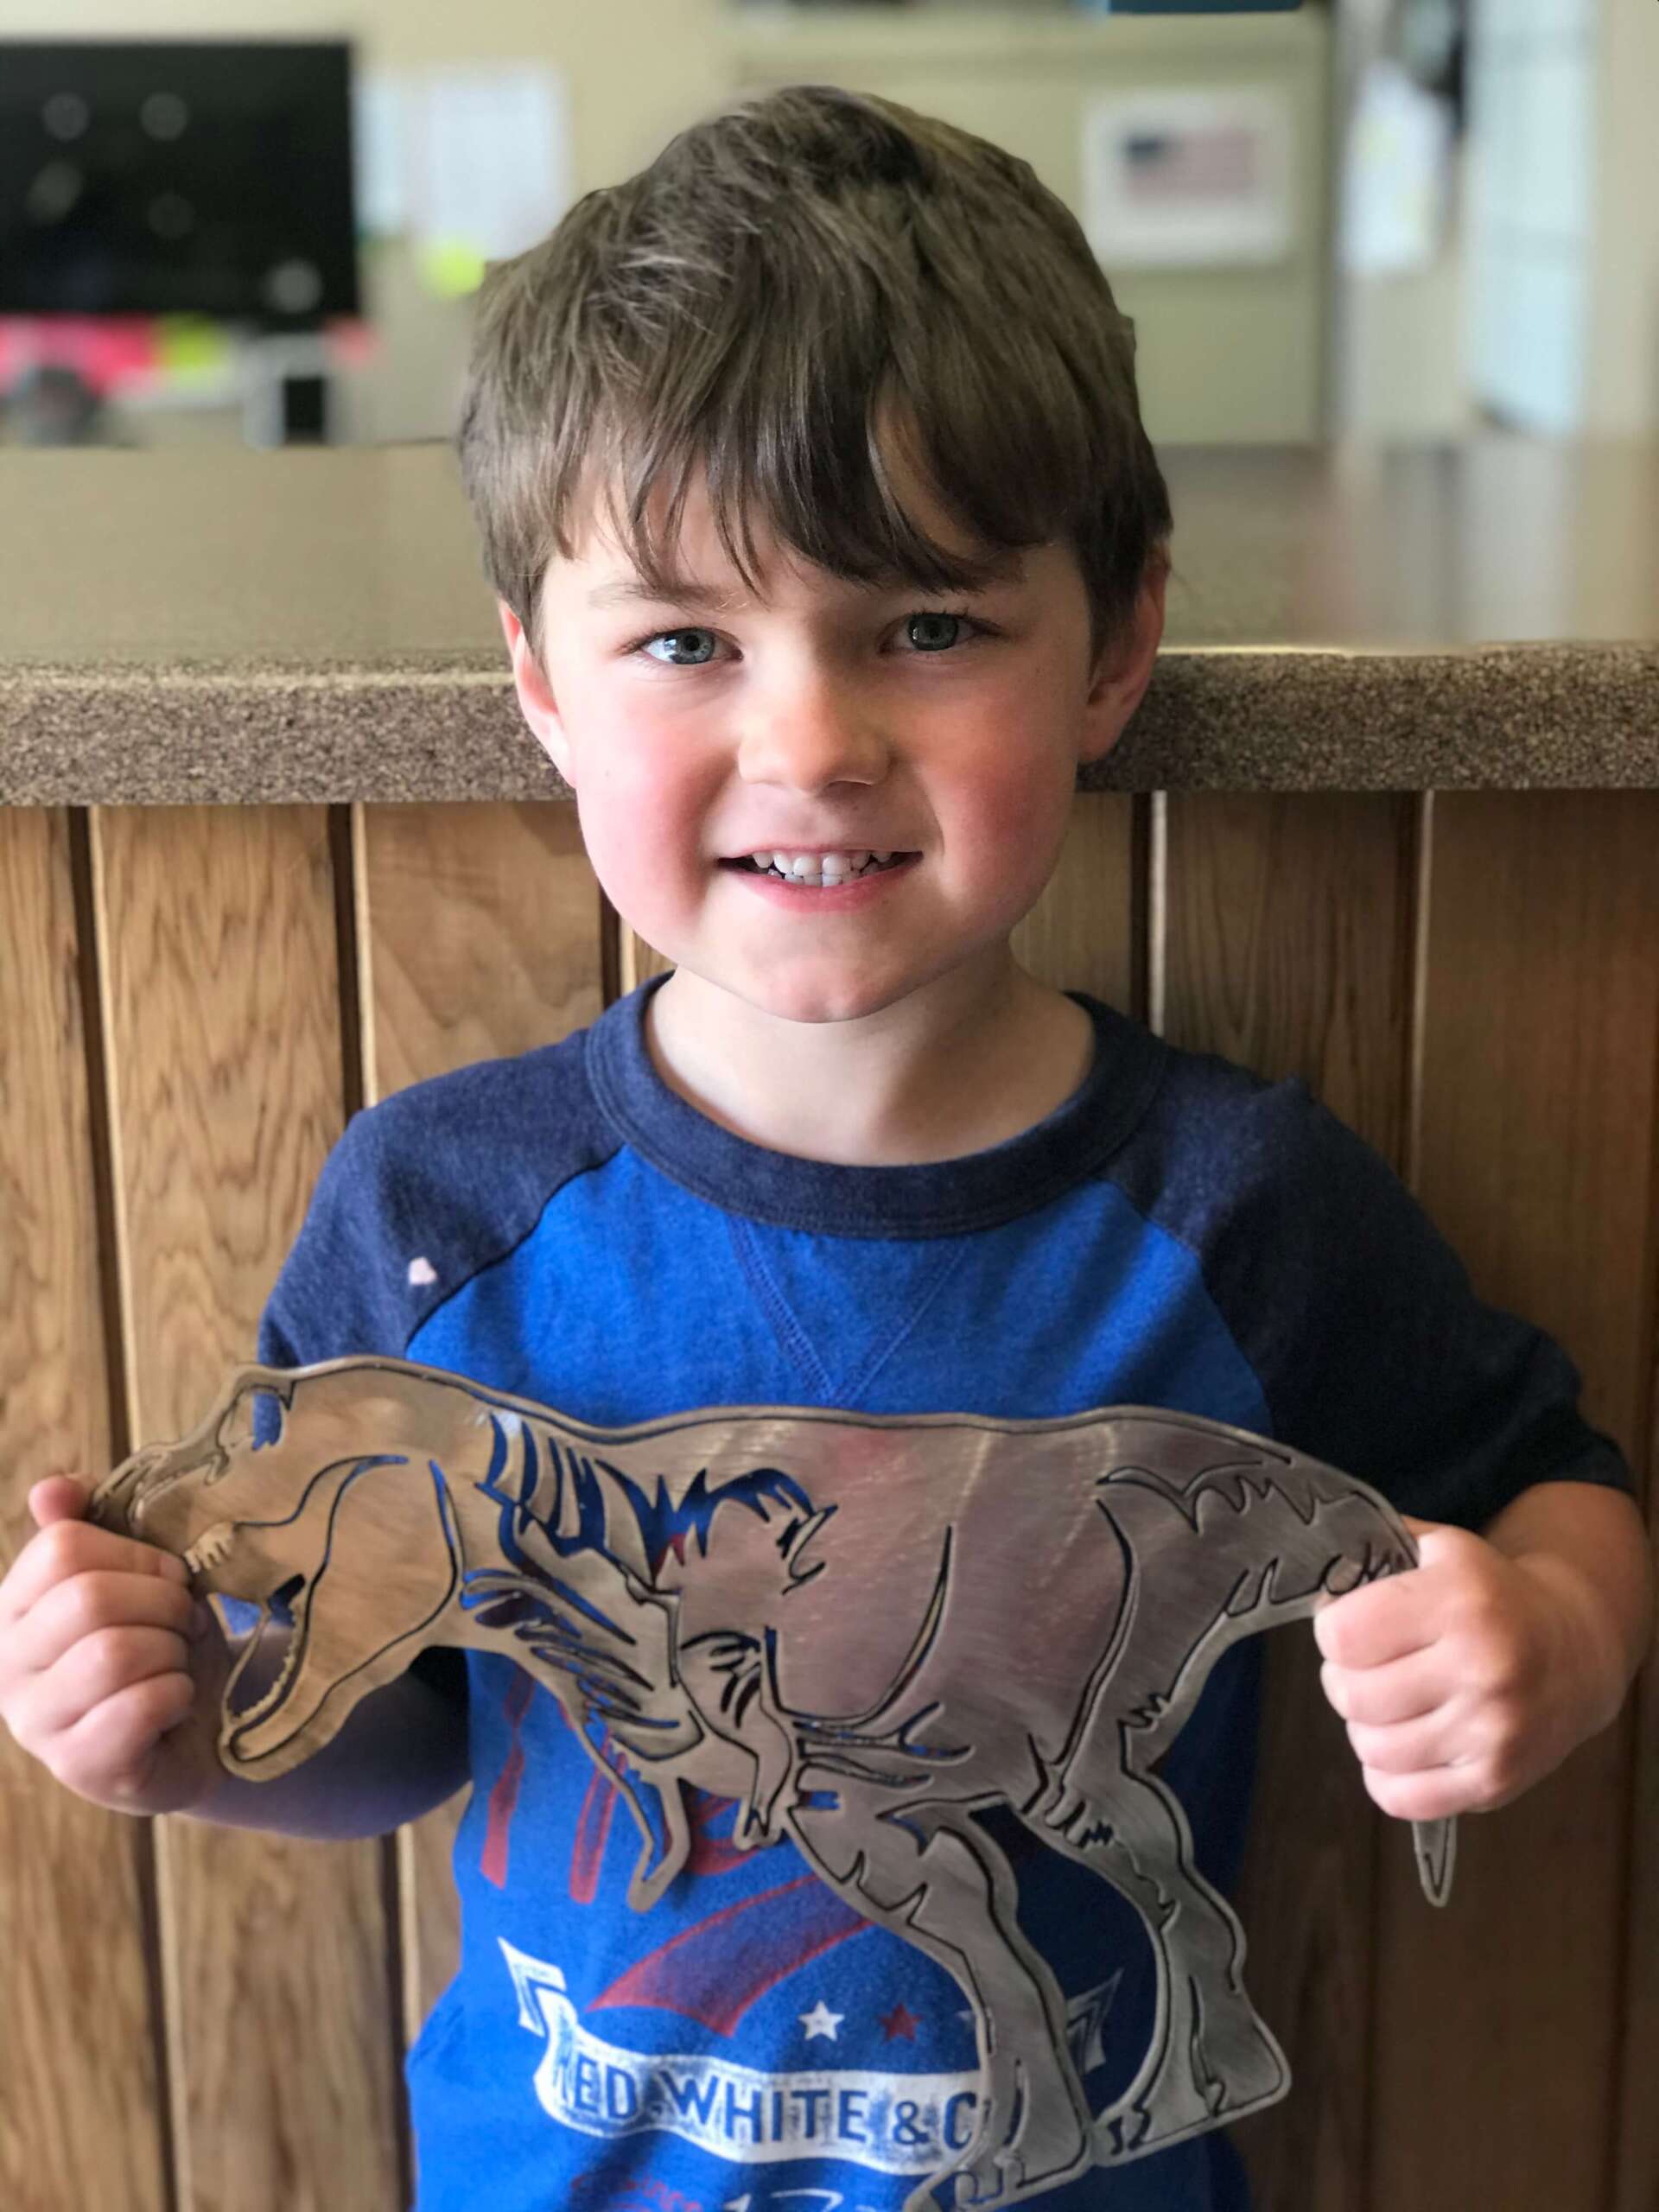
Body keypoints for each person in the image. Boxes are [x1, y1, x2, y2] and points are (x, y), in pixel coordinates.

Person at [0, 86, 1649, 2212]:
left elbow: (1555, 1483)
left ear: (1114, 646)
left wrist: (1551, 1637)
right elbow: (398, 1717)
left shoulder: (1245, 1209)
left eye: (926, 625)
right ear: (540, 681)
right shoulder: (431, 1216)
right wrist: (195, 1731)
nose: (810, 740)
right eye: (685, 638)